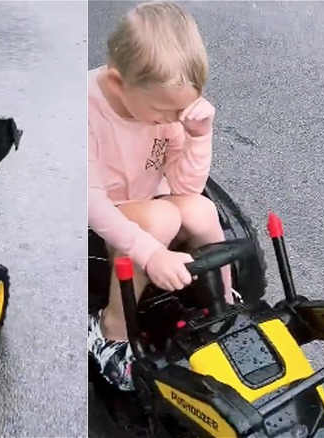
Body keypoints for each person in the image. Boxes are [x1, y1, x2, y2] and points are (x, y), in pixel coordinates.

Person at [88, 1, 237, 391]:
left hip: (147, 200)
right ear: (120, 83)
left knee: (203, 210)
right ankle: (111, 330)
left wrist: (199, 138)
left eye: (181, 111)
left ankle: (222, 307)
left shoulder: (164, 110)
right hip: (99, 212)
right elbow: (91, 203)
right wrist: (150, 253)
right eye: (165, 112)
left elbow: (186, 187)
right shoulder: (85, 111)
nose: (173, 121)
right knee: (162, 219)